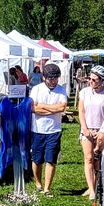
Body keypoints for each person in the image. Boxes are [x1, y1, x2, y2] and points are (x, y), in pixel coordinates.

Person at [29, 64, 67, 197]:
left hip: (54, 129)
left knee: (51, 159)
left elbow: (61, 108)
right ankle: (38, 183)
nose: (53, 81)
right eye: (50, 78)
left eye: (56, 78)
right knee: (37, 160)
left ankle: (47, 188)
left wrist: (43, 106)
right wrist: (52, 109)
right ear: (44, 77)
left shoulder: (61, 90)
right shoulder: (36, 89)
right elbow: (33, 108)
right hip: (38, 129)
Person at [78, 66, 104, 199]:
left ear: (102, 80)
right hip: (87, 129)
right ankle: (91, 189)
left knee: (97, 161)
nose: (91, 81)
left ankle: (96, 184)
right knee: (88, 158)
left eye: (94, 79)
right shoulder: (85, 92)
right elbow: (81, 111)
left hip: (101, 130)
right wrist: (85, 129)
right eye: (90, 78)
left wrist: (102, 132)